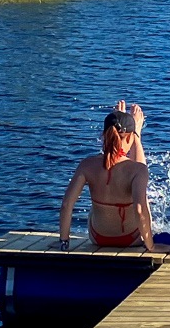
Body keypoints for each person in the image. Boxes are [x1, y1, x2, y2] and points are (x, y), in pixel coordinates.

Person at [59, 100, 157, 251]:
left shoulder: (86, 165)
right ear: (130, 138)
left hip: (98, 238)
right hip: (131, 239)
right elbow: (139, 209)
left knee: (97, 205)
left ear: (103, 135)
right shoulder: (139, 170)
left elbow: (66, 205)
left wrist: (64, 243)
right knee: (142, 198)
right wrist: (151, 247)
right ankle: (136, 133)